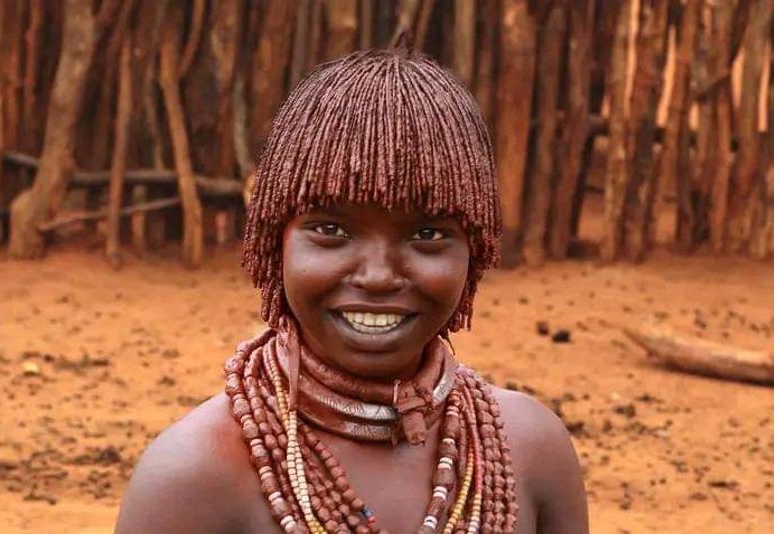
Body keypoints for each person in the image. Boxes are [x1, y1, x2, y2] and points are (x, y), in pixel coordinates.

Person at [116, 45, 588, 534]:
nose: (379, 276)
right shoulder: (195, 477)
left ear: (477, 248)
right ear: (272, 241)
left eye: (426, 233)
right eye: (331, 230)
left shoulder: (529, 451)